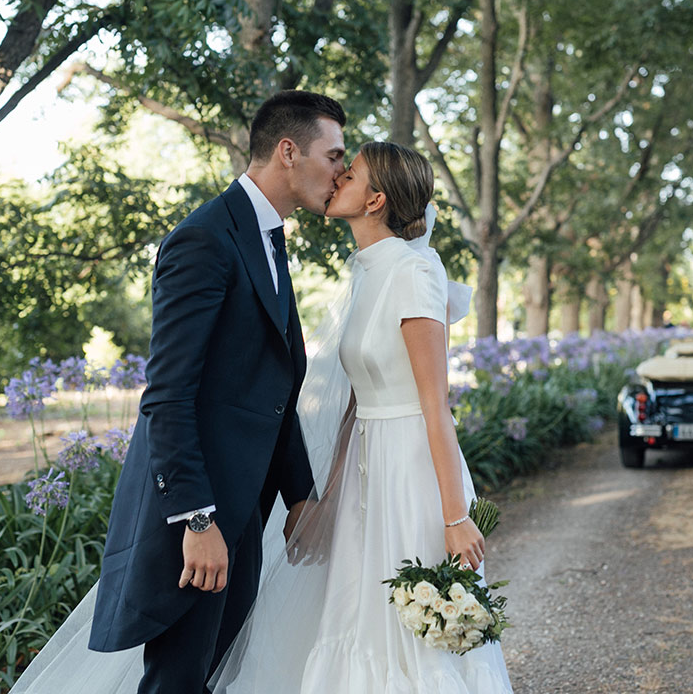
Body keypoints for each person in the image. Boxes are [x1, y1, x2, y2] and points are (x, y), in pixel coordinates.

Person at [13, 90, 347, 694]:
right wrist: (196, 520)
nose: (342, 172)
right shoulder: (205, 240)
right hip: (197, 516)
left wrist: (298, 494)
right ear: (289, 151)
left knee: (212, 678)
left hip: (243, 510)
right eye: (335, 155)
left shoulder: (268, 240)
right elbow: (166, 395)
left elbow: (267, 390)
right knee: (177, 682)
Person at [209, 142, 512, 692]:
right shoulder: (366, 273)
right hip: (363, 474)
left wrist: (453, 516)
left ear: (375, 200)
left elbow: (434, 404)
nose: (336, 179)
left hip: (413, 476)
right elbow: (355, 405)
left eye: (350, 174)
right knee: (354, 619)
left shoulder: (416, 274)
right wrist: (327, 501)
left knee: (413, 636)